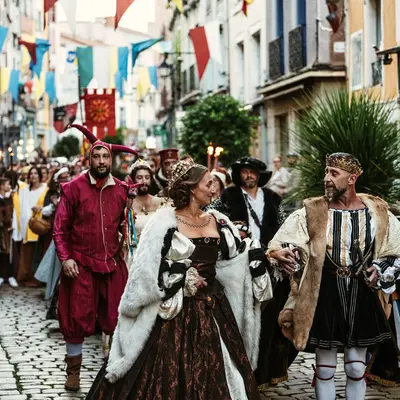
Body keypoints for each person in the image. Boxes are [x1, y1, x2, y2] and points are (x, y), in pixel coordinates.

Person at [86, 160, 273, 400]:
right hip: (174, 312)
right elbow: (148, 271)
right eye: (208, 184)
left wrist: (269, 255)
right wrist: (182, 278)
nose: (214, 189)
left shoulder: (218, 220)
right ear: (192, 188)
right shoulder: (164, 223)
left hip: (215, 308)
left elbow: (239, 255)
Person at [270, 153, 400, 400]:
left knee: (356, 368)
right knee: (325, 368)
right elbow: (284, 242)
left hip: (361, 291)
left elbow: (396, 248)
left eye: (334, 173)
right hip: (324, 291)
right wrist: (282, 253)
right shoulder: (312, 210)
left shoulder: (377, 212)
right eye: (326, 172)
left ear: (352, 178)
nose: (326, 178)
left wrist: (380, 268)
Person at [53, 124, 138, 392]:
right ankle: (74, 372)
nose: (101, 161)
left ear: (111, 160)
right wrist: (66, 258)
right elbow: (59, 229)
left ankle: (112, 370)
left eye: (105, 157)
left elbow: (126, 226)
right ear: (88, 159)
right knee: (75, 318)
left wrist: (126, 236)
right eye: (96, 156)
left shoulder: (122, 189)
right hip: (80, 264)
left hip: (112, 263)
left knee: (116, 318)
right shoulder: (72, 188)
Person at [220, 156, 297, 387]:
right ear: (239, 174)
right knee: (242, 317)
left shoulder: (273, 198)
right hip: (241, 264)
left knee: (269, 319)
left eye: (253, 172)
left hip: (272, 265)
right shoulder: (228, 196)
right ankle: (238, 370)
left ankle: (263, 370)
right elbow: (217, 222)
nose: (249, 175)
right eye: (245, 171)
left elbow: (285, 228)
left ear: (260, 175)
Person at [35, 167, 71, 301]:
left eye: (67, 176)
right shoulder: (54, 194)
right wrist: (52, 205)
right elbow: (47, 211)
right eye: (63, 177)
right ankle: (53, 293)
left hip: (69, 235)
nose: (66, 179)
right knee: (55, 265)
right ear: (58, 180)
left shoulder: (71, 191)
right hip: (58, 235)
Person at [13, 166, 48, 286]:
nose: (33, 176)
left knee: (38, 252)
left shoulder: (45, 188)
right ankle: (26, 276)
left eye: (35, 173)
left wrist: (41, 208)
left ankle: (37, 278)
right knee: (27, 252)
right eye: (31, 174)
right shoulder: (24, 190)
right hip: (26, 224)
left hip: (40, 224)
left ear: (39, 175)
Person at [129, 159, 164, 242]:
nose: (144, 181)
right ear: (133, 180)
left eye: (147, 177)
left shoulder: (160, 202)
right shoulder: (128, 204)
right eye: (139, 178)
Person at [0, 177, 17, 288]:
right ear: (1, 186)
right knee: (2, 253)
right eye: (7, 184)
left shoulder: (10, 198)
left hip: (8, 230)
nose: (9, 186)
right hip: (1, 230)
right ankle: (1, 276)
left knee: (9, 254)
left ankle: (10, 276)